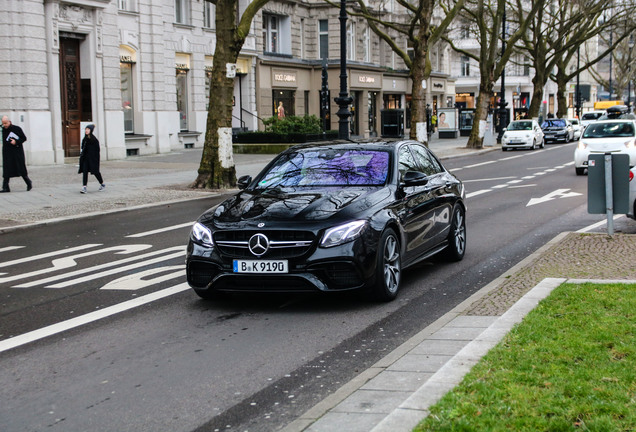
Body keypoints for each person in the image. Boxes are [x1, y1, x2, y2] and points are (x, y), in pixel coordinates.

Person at [1, 115, 32, 193]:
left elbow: (24, 138)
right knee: (7, 170)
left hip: (17, 152)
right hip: (7, 153)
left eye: (5, 123)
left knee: (21, 168)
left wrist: (16, 141)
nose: (4, 125)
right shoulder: (3, 129)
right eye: (3, 123)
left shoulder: (17, 129)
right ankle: (5, 187)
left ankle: (28, 183)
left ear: (9, 122)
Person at [78, 124, 105, 193]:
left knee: (96, 172)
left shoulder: (94, 140)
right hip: (85, 159)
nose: (86, 130)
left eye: (88, 129)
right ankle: (84, 187)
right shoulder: (85, 139)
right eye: (86, 129)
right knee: (85, 172)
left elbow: (97, 151)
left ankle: (102, 183)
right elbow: (83, 148)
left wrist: (95, 159)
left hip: (93, 159)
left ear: (91, 130)